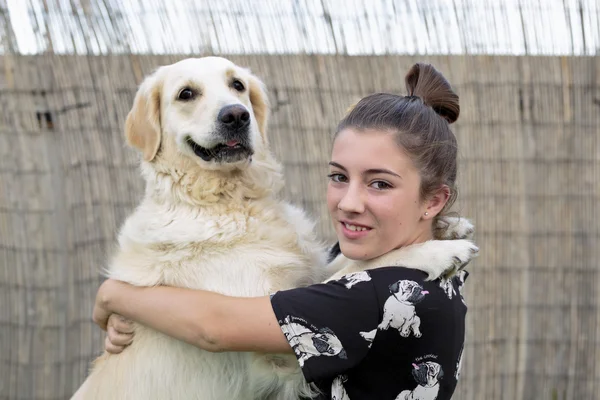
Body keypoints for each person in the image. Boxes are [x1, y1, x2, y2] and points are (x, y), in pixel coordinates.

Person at [92, 63, 476, 399]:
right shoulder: (427, 276)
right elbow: (319, 298)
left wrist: (114, 294)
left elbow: (218, 329)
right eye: (339, 177)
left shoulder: (392, 294)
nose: (349, 202)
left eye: (380, 184)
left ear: (433, 201)